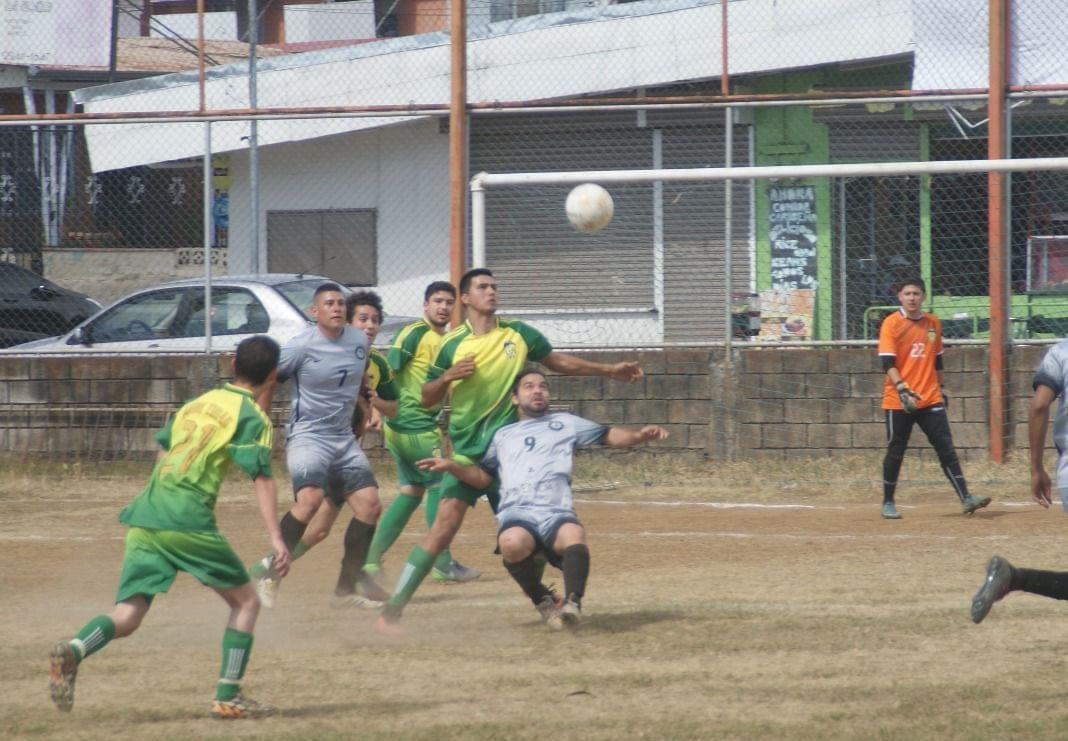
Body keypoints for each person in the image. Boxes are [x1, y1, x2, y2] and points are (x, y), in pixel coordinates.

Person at [377, 268, 643, 633]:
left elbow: (557, 362)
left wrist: (608, 370)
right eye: (482, 287)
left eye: (494, 286)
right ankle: (393, 608)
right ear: (466, 299)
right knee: (441, 531)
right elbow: (425, 397)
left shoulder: (518, 333)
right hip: (469, 456)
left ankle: (544, 600)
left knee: (527, 536)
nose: (491, 291)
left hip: (512, 460)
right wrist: (446, 378)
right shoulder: (451, 344)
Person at [48, 335, 291, 719]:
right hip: (187, 519)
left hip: (147, 514)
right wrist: (277, 539)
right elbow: (260, 477)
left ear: (232, 365)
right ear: (274, 375)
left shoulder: (197, 402)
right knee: (246, 601)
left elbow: (164, 448)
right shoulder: (252, 417)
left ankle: (75, 650)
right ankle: (228, 696)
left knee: (128, 614)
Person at [417, 368, 668, 629]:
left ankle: (573, 604)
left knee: (573, 535)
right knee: (511, 542)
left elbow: (608, 435)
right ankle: (543, 602)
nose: (537, 390)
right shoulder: (503, 435)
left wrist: (639, 436)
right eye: (529, 386)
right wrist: (451, 466)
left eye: (543, 386)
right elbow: (483, 477)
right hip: (518, 513)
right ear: (515, 398)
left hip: (555, 512)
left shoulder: (565, 423)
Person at [249, 283, 382, 608]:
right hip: (308, 435)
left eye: (340, 303)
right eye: (329, 303)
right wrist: (258, 424)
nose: (336, 308)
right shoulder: (301, 346)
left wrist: (368, 409)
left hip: (342, 438)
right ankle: (270, 576)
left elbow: (359, 378)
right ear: (315, 312)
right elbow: (267, 379)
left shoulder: (358, 341)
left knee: (370, 505)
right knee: (309, 501)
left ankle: (346, 588)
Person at [362, 281, 481, 584]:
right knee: (441, 489)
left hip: (406, 427)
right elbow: (388, 370)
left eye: (448, 302)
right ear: (425, 305)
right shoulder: (414, 333)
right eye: (437, 301)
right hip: (414, 426)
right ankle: (441, 562)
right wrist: (376, 407)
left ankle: (370, 559)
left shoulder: (445, 339)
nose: (443, 307)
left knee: (411, 492)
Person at [971, 341, 1068, 623]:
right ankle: (1014, 578)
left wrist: (1036, 469)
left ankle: (1013, 578)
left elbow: (1039, 406)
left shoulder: (1061, 352)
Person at [877, 277, 990, 520]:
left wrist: (941, 387)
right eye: (907, 293)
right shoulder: (891, 323)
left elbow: (937, 359)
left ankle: (966, 497)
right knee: (896, 450)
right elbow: (887, 363)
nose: (912, 298)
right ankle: (888, 501)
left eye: (916, 293)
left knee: (945, 448)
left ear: (924, 297)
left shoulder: (933, 324)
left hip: (929, 398)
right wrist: (902, 387)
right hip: (899, 399)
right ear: (899, 297)